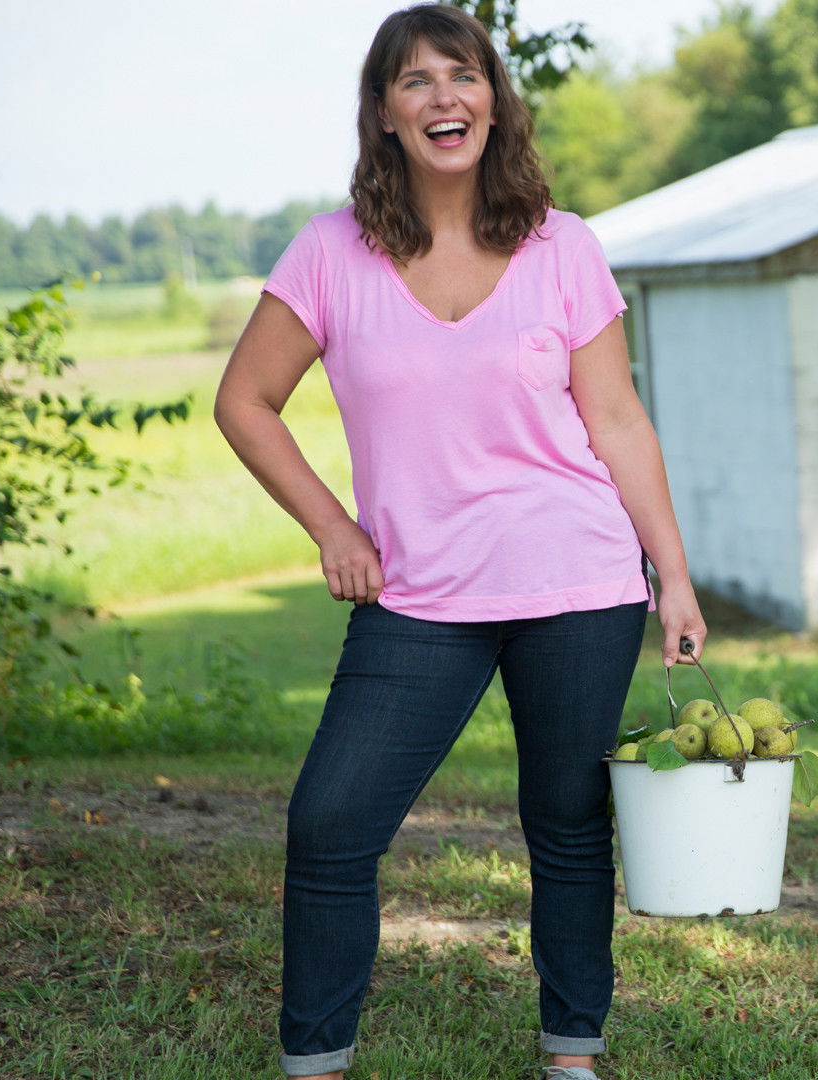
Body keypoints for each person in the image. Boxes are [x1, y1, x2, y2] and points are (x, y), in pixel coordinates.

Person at [213, 5, 705, 1078]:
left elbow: (616, 418)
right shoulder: (331, 252)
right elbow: (245, 399)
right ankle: (316, 1064)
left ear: (494, 97)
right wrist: (333, 525)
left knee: (569, 824)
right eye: (416, 82)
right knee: (331, 822)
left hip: (577, 578)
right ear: (384, 114)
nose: (445, 97)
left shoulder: (562, 244)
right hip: (417, 594)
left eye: (463, 74)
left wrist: (671, 572)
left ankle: (571, 1054)